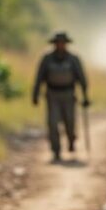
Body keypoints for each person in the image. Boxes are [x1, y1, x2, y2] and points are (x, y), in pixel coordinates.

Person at [32, 32, 90, 162]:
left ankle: (71, 140)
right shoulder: (47, 59)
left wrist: (85, 96)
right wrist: (35, 94)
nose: (60, 45)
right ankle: (56, 150)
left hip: (69, 94)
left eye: (62, 43)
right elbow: (39, 77)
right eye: (58, 43)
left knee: (70, 121)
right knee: (53, 123)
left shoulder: (73, 59)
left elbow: (82, 78)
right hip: (52, 94)